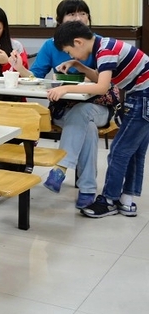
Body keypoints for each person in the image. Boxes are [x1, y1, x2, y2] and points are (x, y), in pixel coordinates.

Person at [9, 0, 114, 208]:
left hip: (100, 107)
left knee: (85, 114)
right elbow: (36, 78)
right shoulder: (51, 45)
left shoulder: (101, 44)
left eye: (82, 13)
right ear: (60, 21)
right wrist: (21, 70)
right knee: (88, 128)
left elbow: (108, 84)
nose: (78, 18)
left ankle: (61, 168)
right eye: (71, 14)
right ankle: (88, 189)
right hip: (63, 109)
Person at [49, 21, 149, 219]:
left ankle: (110, 200)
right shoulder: (105, 45)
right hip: (143, 95)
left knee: (118, 152)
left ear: (78, 42)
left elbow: (102, 87)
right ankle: (127, 201)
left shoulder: (105, 50)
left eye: (70, 52)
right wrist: (78, 65)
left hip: (143, 97)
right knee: (135, 152)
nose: (71, 56)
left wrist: (66, 88)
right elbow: (101, 78)